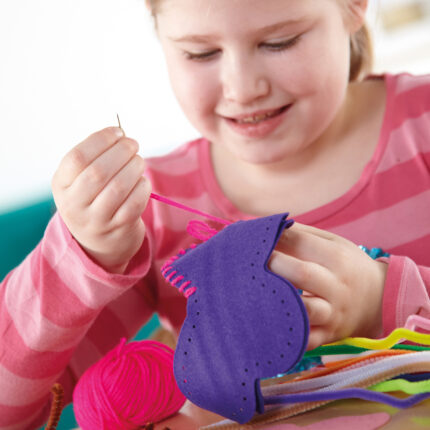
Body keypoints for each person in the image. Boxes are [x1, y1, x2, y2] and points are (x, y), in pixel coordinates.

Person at [1, 0, 430, 428]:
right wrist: (80, 256)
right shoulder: (148, 213)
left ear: (354, 6)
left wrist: (384, 298)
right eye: (201, 53)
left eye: (279, 42)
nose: (243, 89)